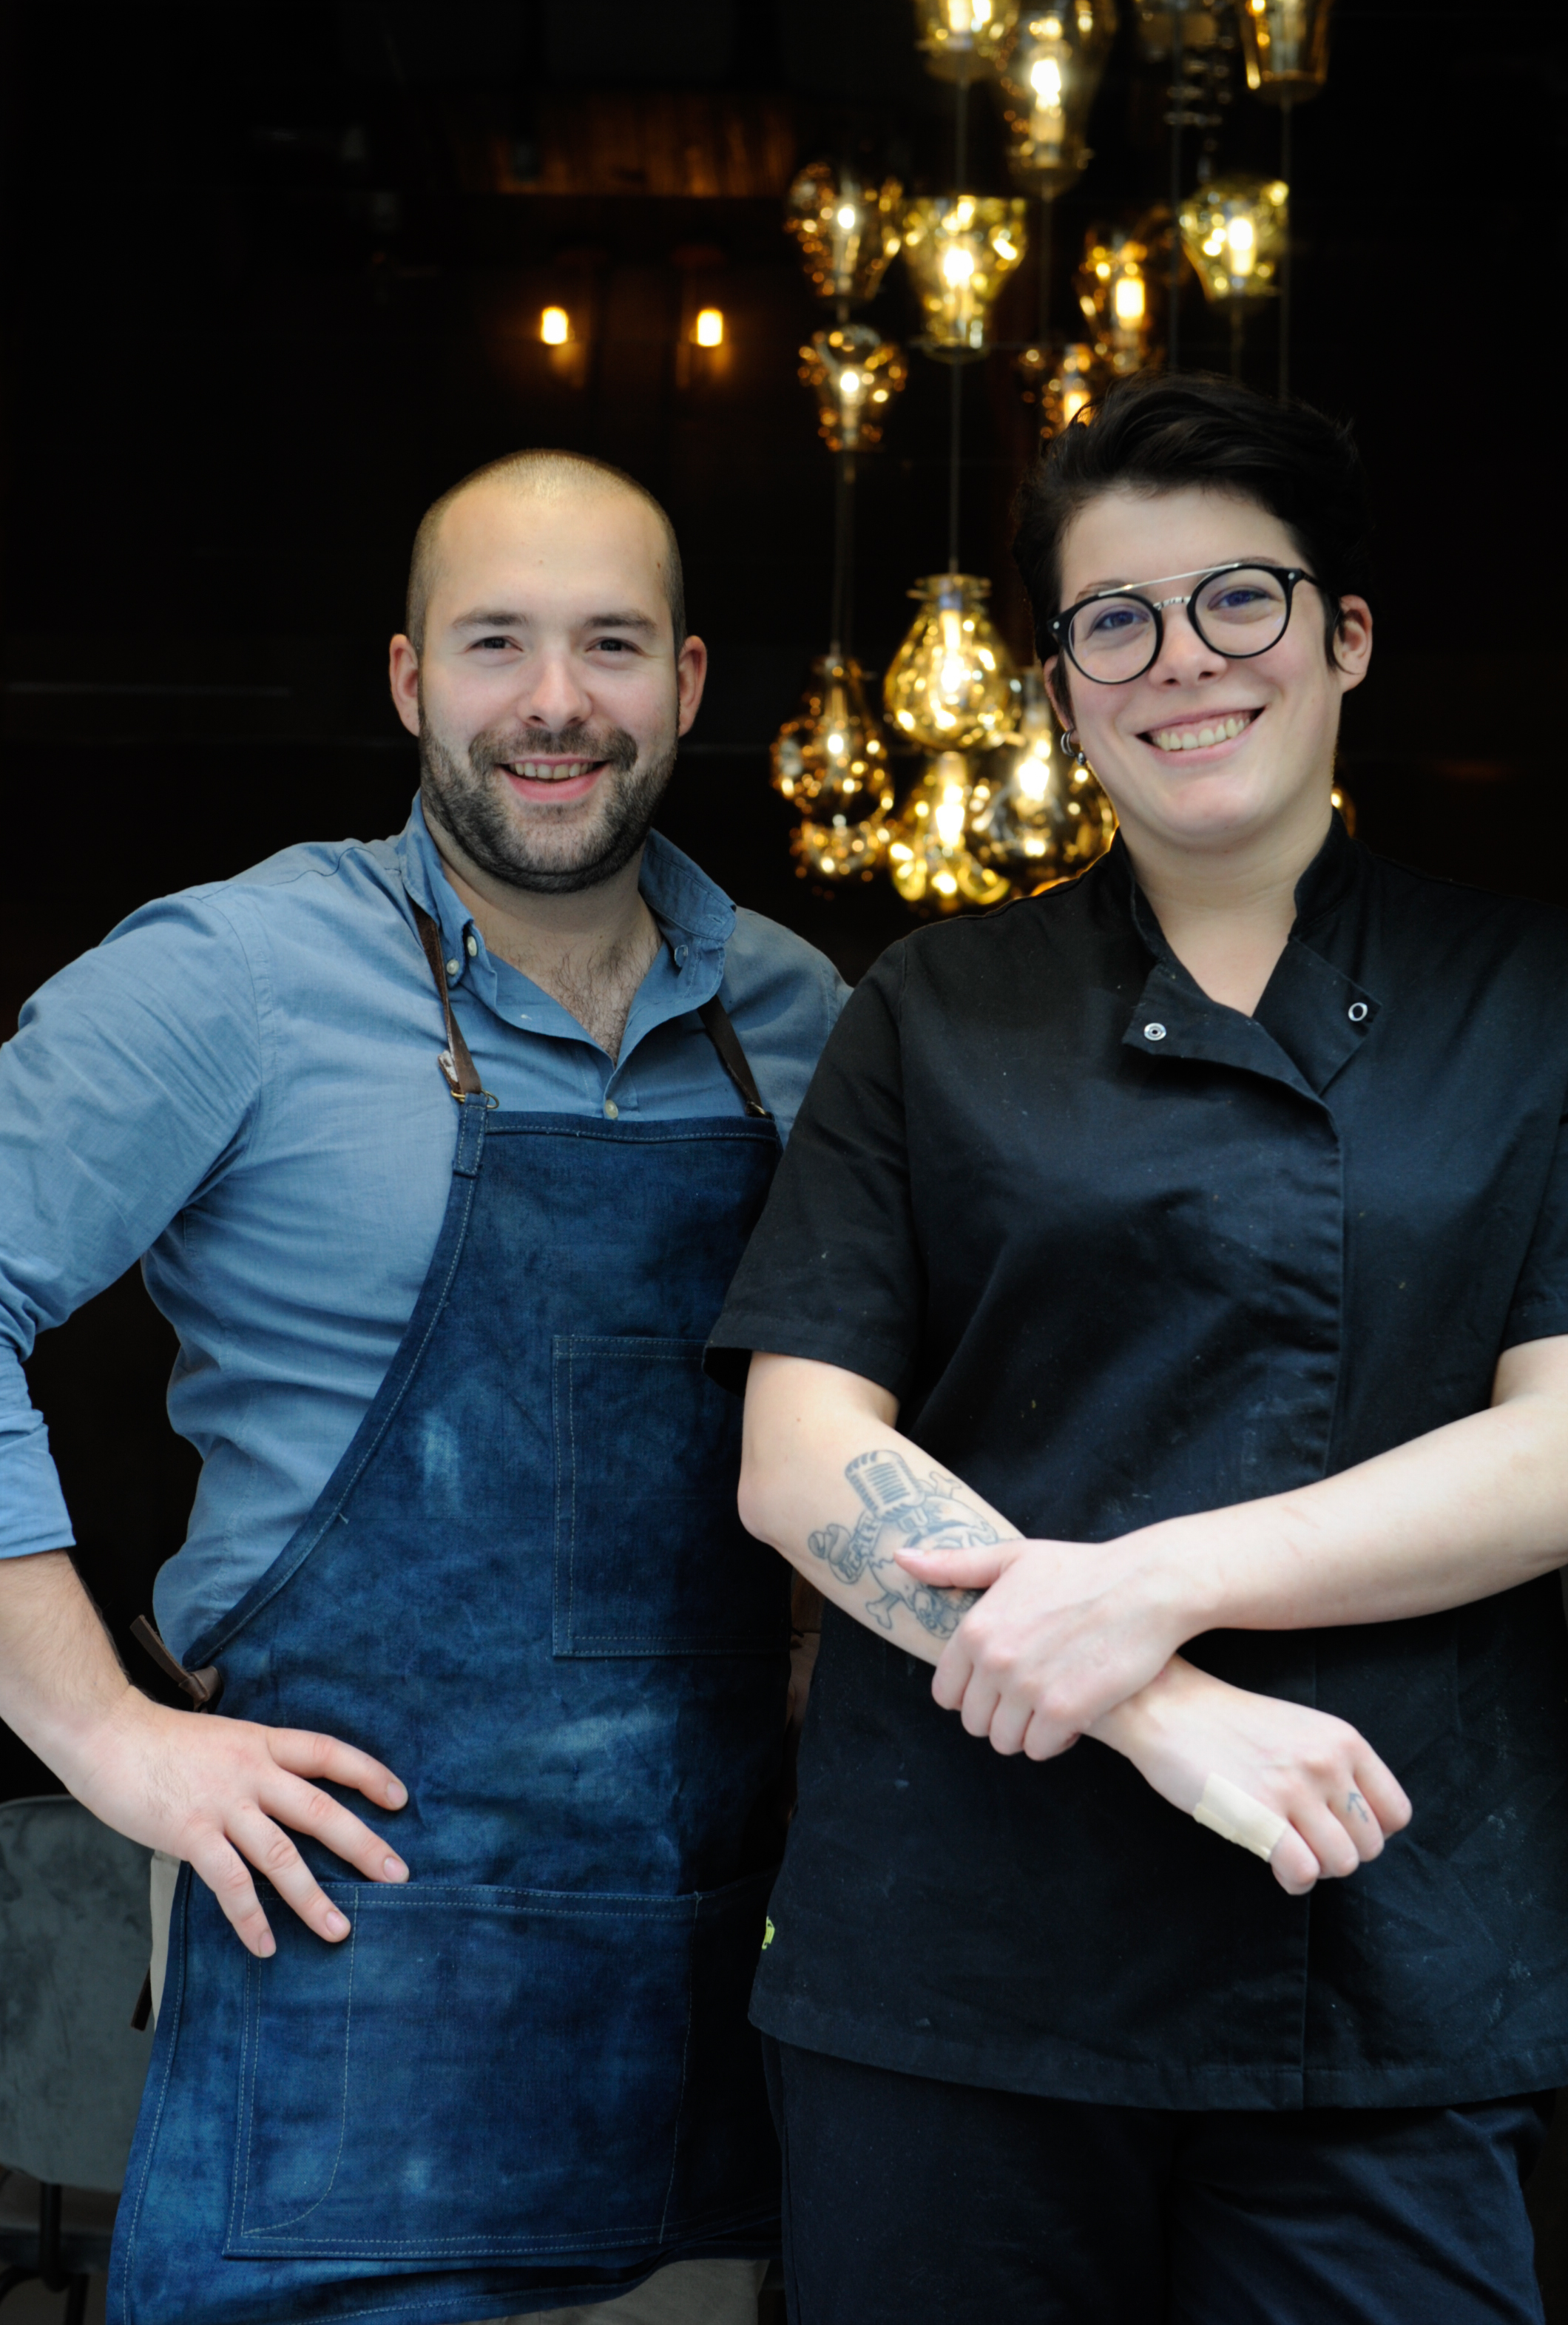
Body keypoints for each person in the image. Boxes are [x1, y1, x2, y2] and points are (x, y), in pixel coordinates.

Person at [712, 373, 1568, 2325]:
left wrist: (1152, 1583)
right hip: (956, 1952)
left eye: (1240, 597)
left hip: (1385, 1944)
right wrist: (1151, 1699)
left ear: (1347, 637)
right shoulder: (932, 1006)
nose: (1182, 658)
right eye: (1116, 619)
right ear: (1062, 690)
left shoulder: (1530, 997)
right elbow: (796, 1451)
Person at [0, 450, 848, 2325]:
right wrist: (101, 1735)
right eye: (494, 643)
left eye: (609, 643)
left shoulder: (802, 1022)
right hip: (343, 1973)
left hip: (721, 1979)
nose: (555, 700)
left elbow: (880, 1414)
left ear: (688, 682)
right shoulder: (233, 975)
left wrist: (817, 1640)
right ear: (406, 679)